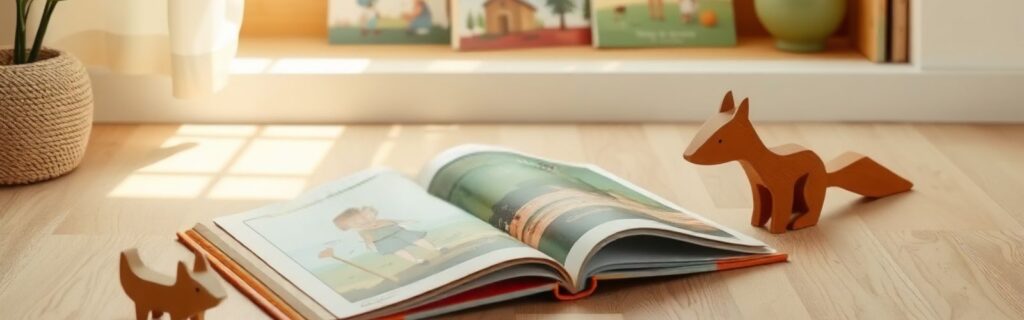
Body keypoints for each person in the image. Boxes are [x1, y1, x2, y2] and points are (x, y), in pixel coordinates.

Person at [320, 206, 442, 264]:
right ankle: (416, 261)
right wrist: (369, 244)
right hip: (383, 241)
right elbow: (367, 238)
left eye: (359, 218)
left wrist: (404, 221)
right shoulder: (362, 231)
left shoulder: (376, 221)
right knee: (398, 250)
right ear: (350, 227)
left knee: (416, 239)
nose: (360, 222)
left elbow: (390, 221)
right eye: (353, 223)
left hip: (396, 231)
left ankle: (436, 249)